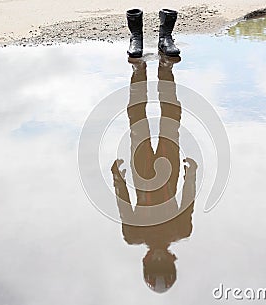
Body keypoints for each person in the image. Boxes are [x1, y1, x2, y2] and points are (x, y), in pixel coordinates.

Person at [111, 55, 197, 293]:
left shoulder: (135, 234)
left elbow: (123, 203)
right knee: (162, 119)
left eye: (155, 263)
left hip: (145, 174)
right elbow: (188, 202)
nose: (158, 257)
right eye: (163, 262)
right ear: (170, 260)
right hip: (163, 173)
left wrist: (118, 179)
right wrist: (191, 176)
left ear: (147, 261)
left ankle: (145, 69)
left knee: (144, 119)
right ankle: (160, 69)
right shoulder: (179, 231)